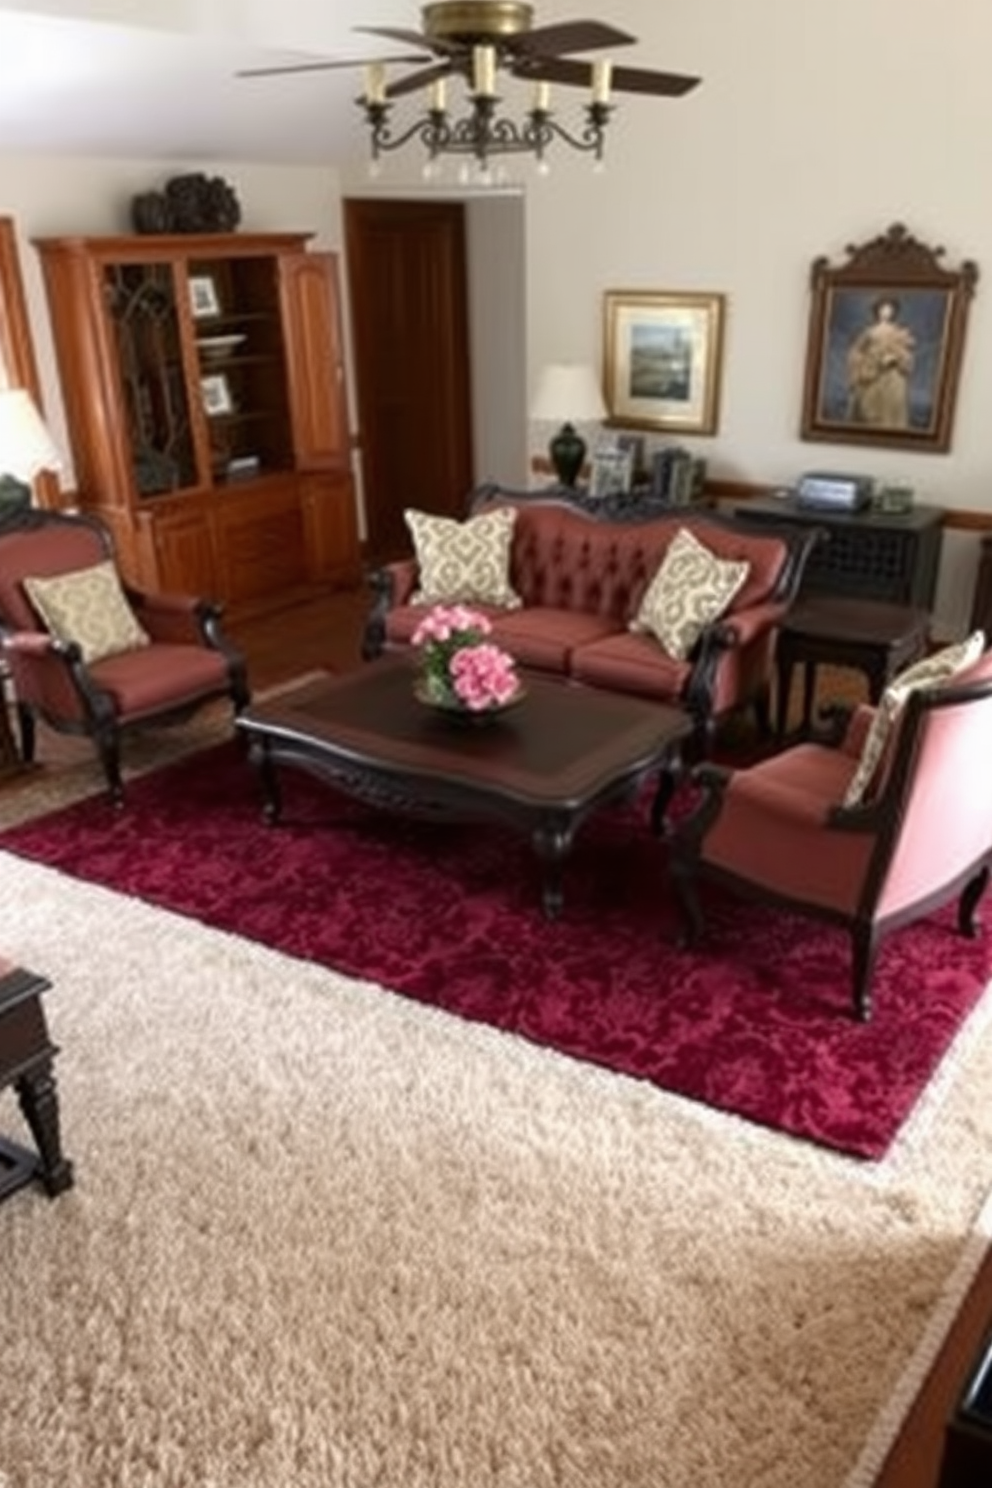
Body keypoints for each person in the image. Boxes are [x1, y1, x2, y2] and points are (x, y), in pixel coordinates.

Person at [845, 296, 915, 427]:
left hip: (894, 378)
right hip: (874, 376)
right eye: (883, 309)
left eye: (889, 309)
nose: (886, 312)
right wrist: (871, 362)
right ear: (877, 311)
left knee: (892, 410)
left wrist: (897, 358)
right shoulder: (869, 332)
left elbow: (907, 356)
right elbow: (855, 353)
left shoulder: (900, 333)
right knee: (871, 414)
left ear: (894, 312)